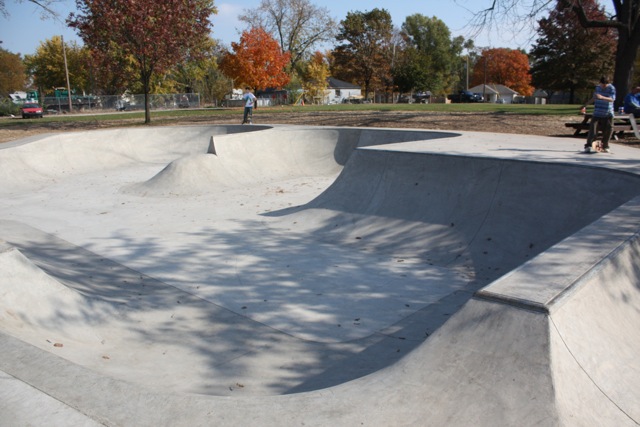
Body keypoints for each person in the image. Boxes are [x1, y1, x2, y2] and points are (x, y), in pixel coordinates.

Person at [581, 77, 616, 153]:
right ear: (600, 83)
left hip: (608, 113)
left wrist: (602, 97)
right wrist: (585, 105)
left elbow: (612, 99)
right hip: (597, 112)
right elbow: (594, 98)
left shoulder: (611, 88)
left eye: (605, 85)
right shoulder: (597, 88)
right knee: (593, 130)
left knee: (608, 130)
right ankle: (589, 145)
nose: (603, 86)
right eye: (602, 84)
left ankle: (605, 145)